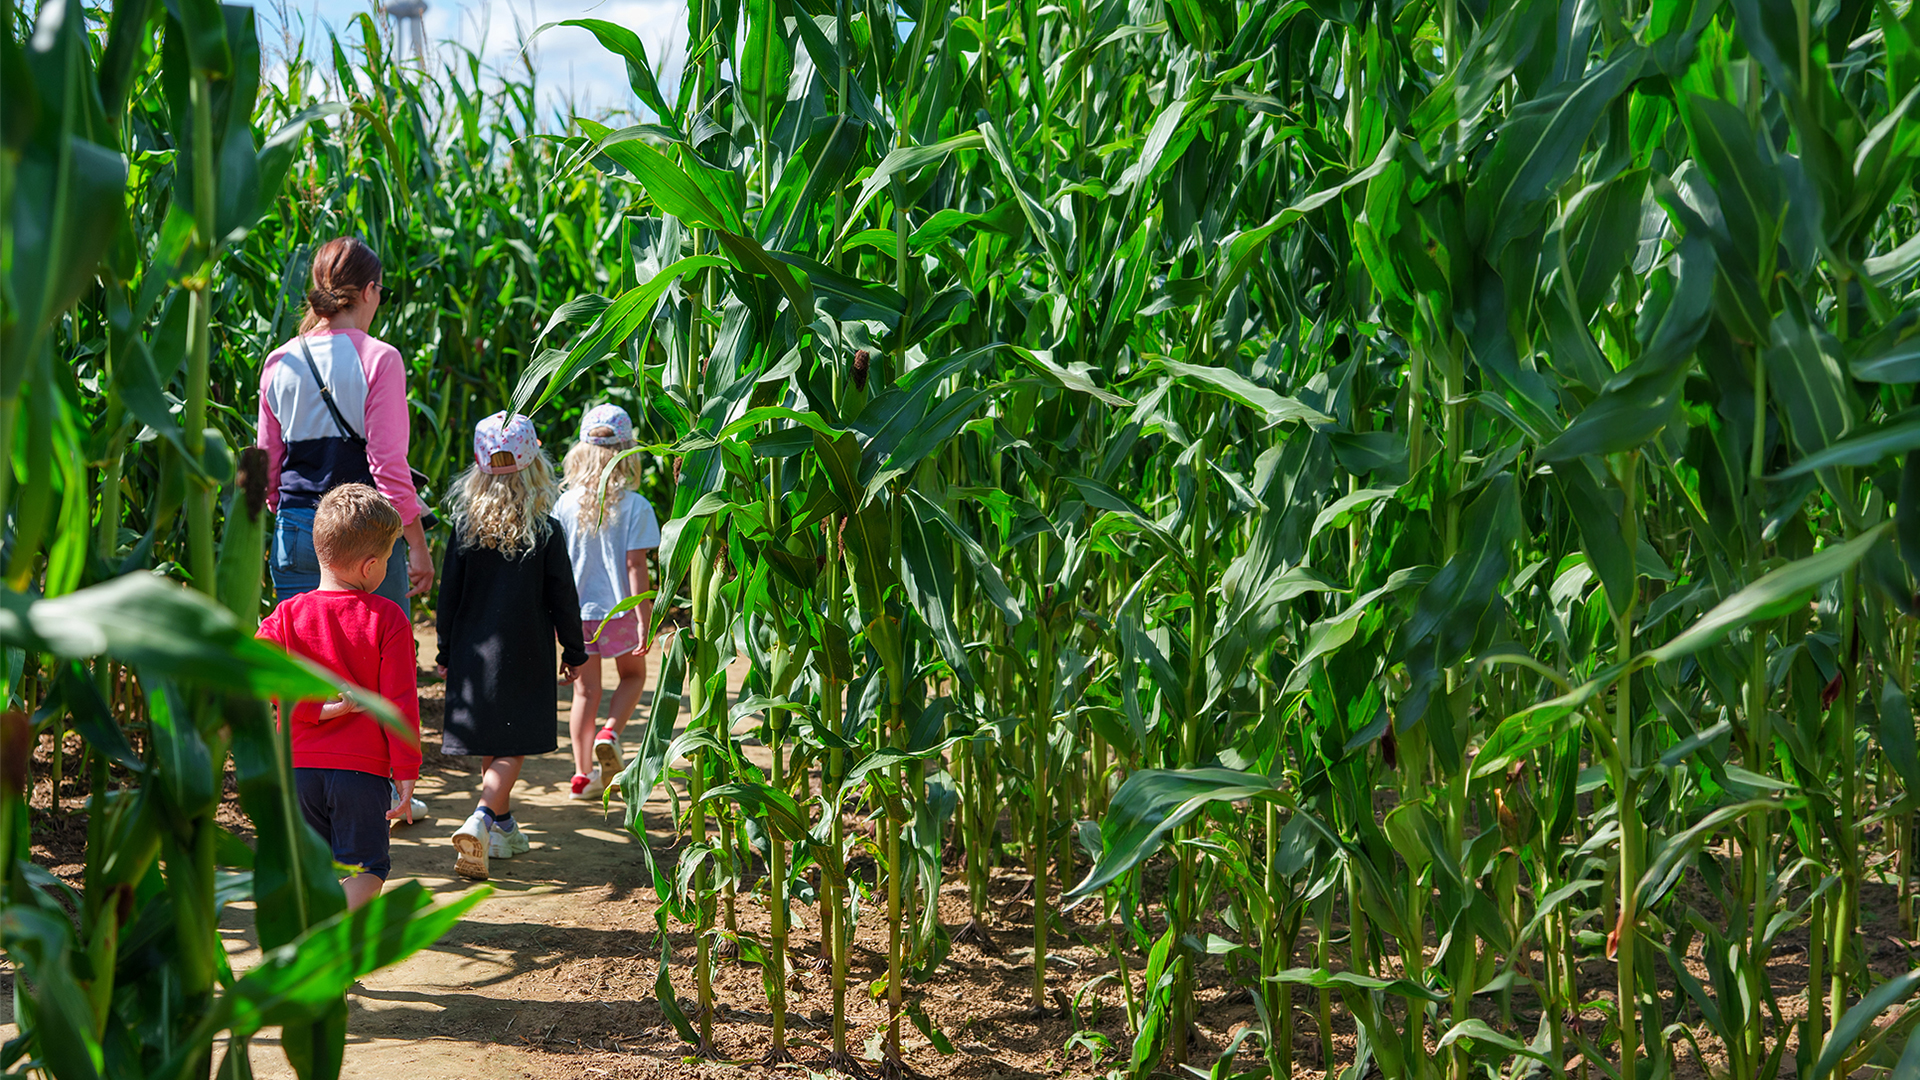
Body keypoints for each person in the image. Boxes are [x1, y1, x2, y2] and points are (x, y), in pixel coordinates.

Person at [436, 411, 589, 880]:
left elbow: (449, 596)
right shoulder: (545, 530)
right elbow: (563, 596)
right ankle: (482, 817)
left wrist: (445, 650)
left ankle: (502, 826)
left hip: (473, 652)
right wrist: (574, 650)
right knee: (514, 741)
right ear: (535, 464)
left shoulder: (464, 529)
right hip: (525, 652)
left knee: (493, 735)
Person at [256, 484, 422, 910]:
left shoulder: (288, 614)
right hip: (361, 774)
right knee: (366, 870)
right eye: (387, 560)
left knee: (312, 869)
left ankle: (312, 954)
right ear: (370, 566)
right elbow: (400, 702)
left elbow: (255, 669)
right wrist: (405, 771)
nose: (386, 567)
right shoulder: (388, 619)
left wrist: (313, 708)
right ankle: (331, 947)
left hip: (297, 768)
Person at [258, 237, 434, 613]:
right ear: (370, 290)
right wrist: (417, 544)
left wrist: (287, 515)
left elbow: (266, 462)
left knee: (304, 663)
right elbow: (387, 464)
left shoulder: (278, 362)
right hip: (364, 535)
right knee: (373, 662)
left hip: (296, 527)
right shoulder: (380, 358)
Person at [555, 404, 661, 800]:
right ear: (627, 450)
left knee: (584, 693)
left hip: (576, 614)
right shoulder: (635, 506)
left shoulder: (564, 505)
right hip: (618, 611)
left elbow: (558, 565)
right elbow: (636, 565)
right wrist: (643, 616)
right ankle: (611, 732)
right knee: (633, 677)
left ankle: (582, 775)